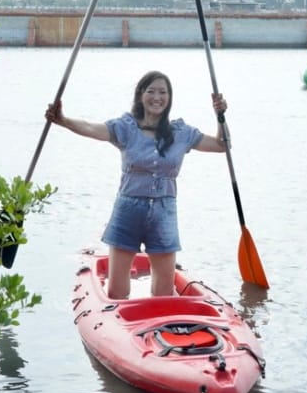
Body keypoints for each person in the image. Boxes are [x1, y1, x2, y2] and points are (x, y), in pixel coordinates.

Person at [45, 70, 229, 299]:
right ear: (141, 95)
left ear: (169, 98)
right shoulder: (126, 127)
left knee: (163, 290)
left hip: (164, 212)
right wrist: (63, 120)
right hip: (128, 210)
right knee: (117, 290)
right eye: (151, 91)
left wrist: (220, 116)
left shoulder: (181, 133)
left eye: (163, 92)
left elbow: (222, 145)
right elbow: (92, 128)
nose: (157, 97)